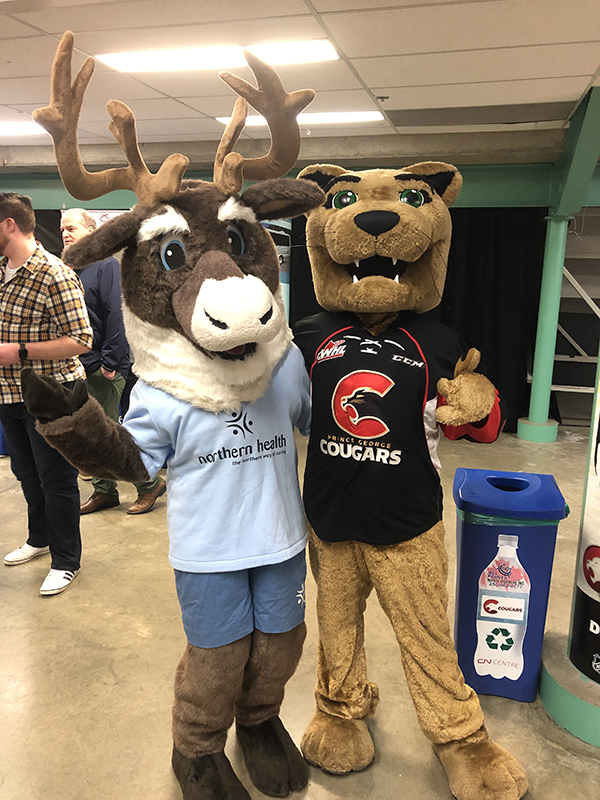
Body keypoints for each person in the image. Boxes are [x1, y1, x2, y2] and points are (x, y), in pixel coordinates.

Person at [0, 193, 93, 596]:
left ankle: (66, 559)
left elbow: (81, 339)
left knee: (56, 479)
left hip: (52, 394)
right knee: (26, 473)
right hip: (8, 393)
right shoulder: (2, 271)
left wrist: (17, 352)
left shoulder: (54, 273)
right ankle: (39, 538)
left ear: (9, 224)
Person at [60, 209, 166, 515]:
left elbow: (116, 316)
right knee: (88, 436)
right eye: (62, 229)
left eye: (71, 228)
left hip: (101, 368)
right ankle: (104, 491)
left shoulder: (105, 267)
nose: (66, 234)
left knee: (108, 437)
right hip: (78, 368)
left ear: (91, 232)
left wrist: (110, 363)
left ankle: (149, 484)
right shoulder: (70, 270)